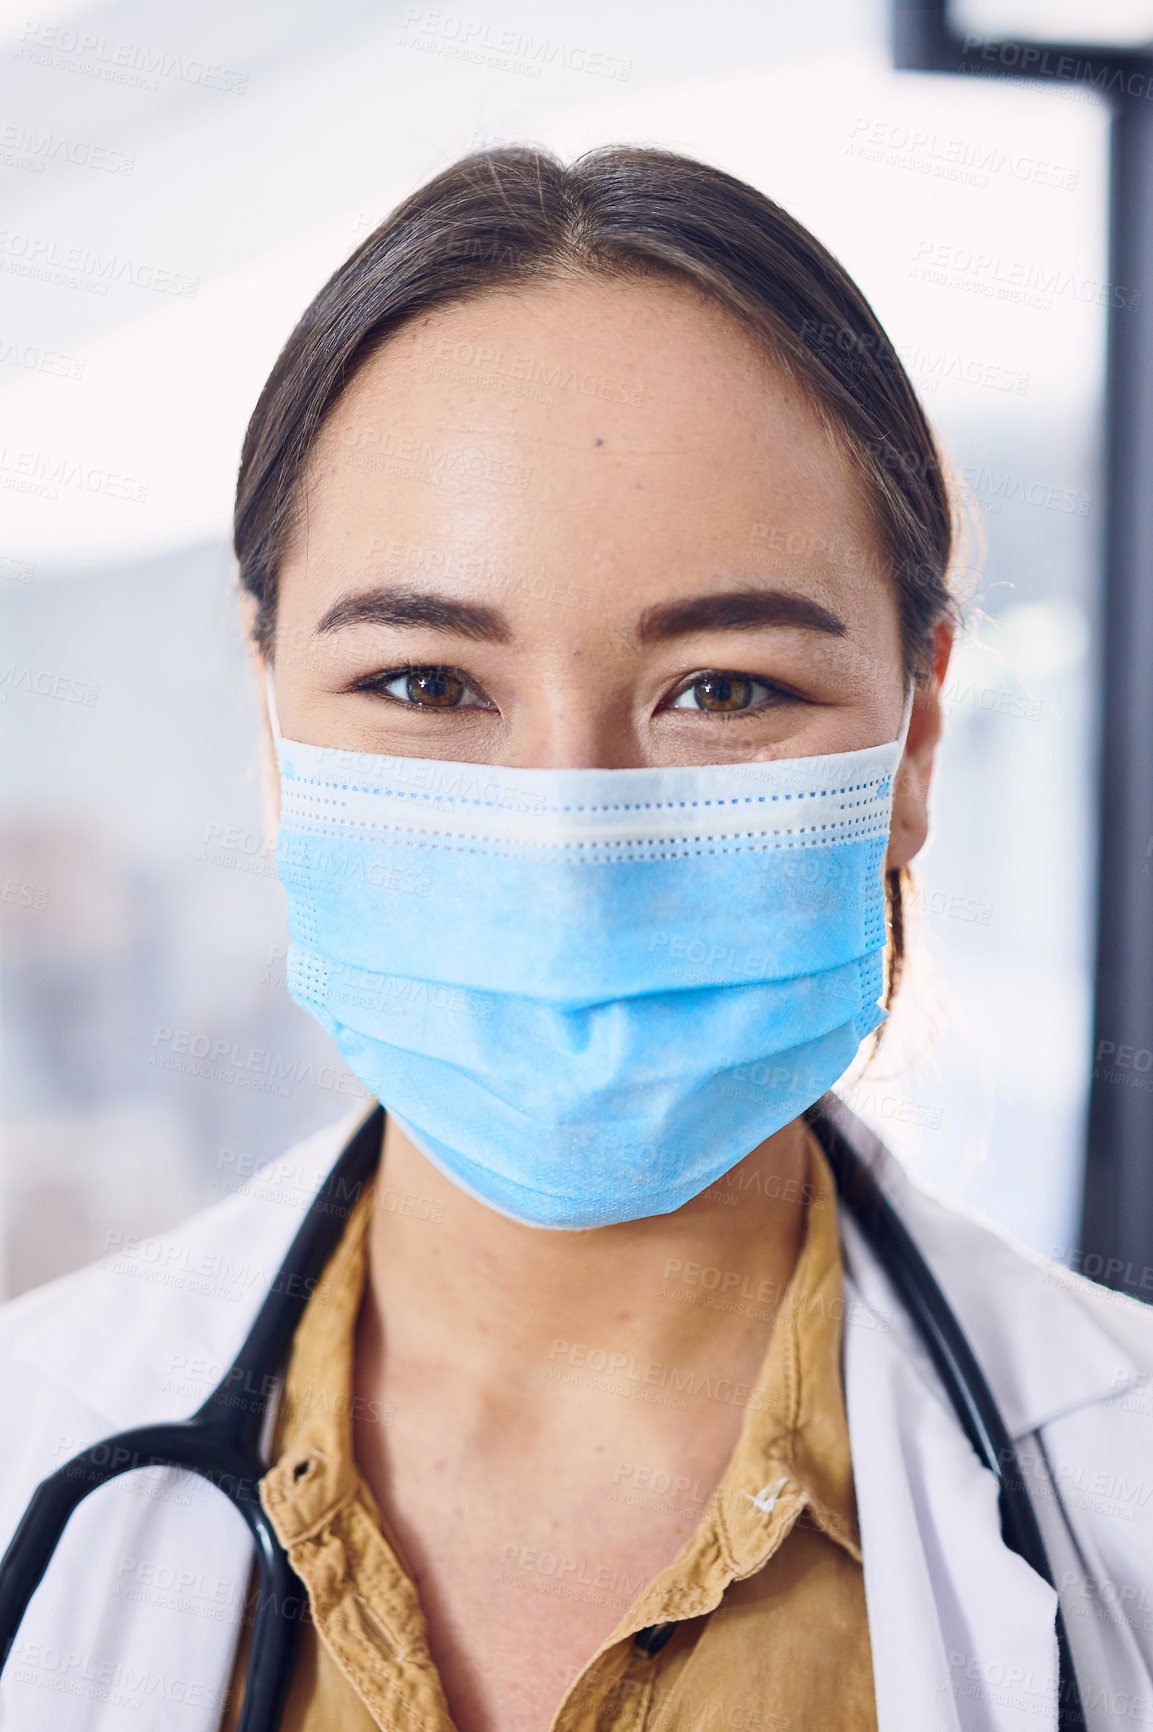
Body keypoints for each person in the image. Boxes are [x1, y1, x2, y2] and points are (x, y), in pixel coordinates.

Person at [1, 144, 1151, 1732]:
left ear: (914, 739)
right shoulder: (26, 1437)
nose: (568, 837)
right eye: (424, 684)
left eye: (724, 688)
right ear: (271, 730)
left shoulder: (1124, 1491)